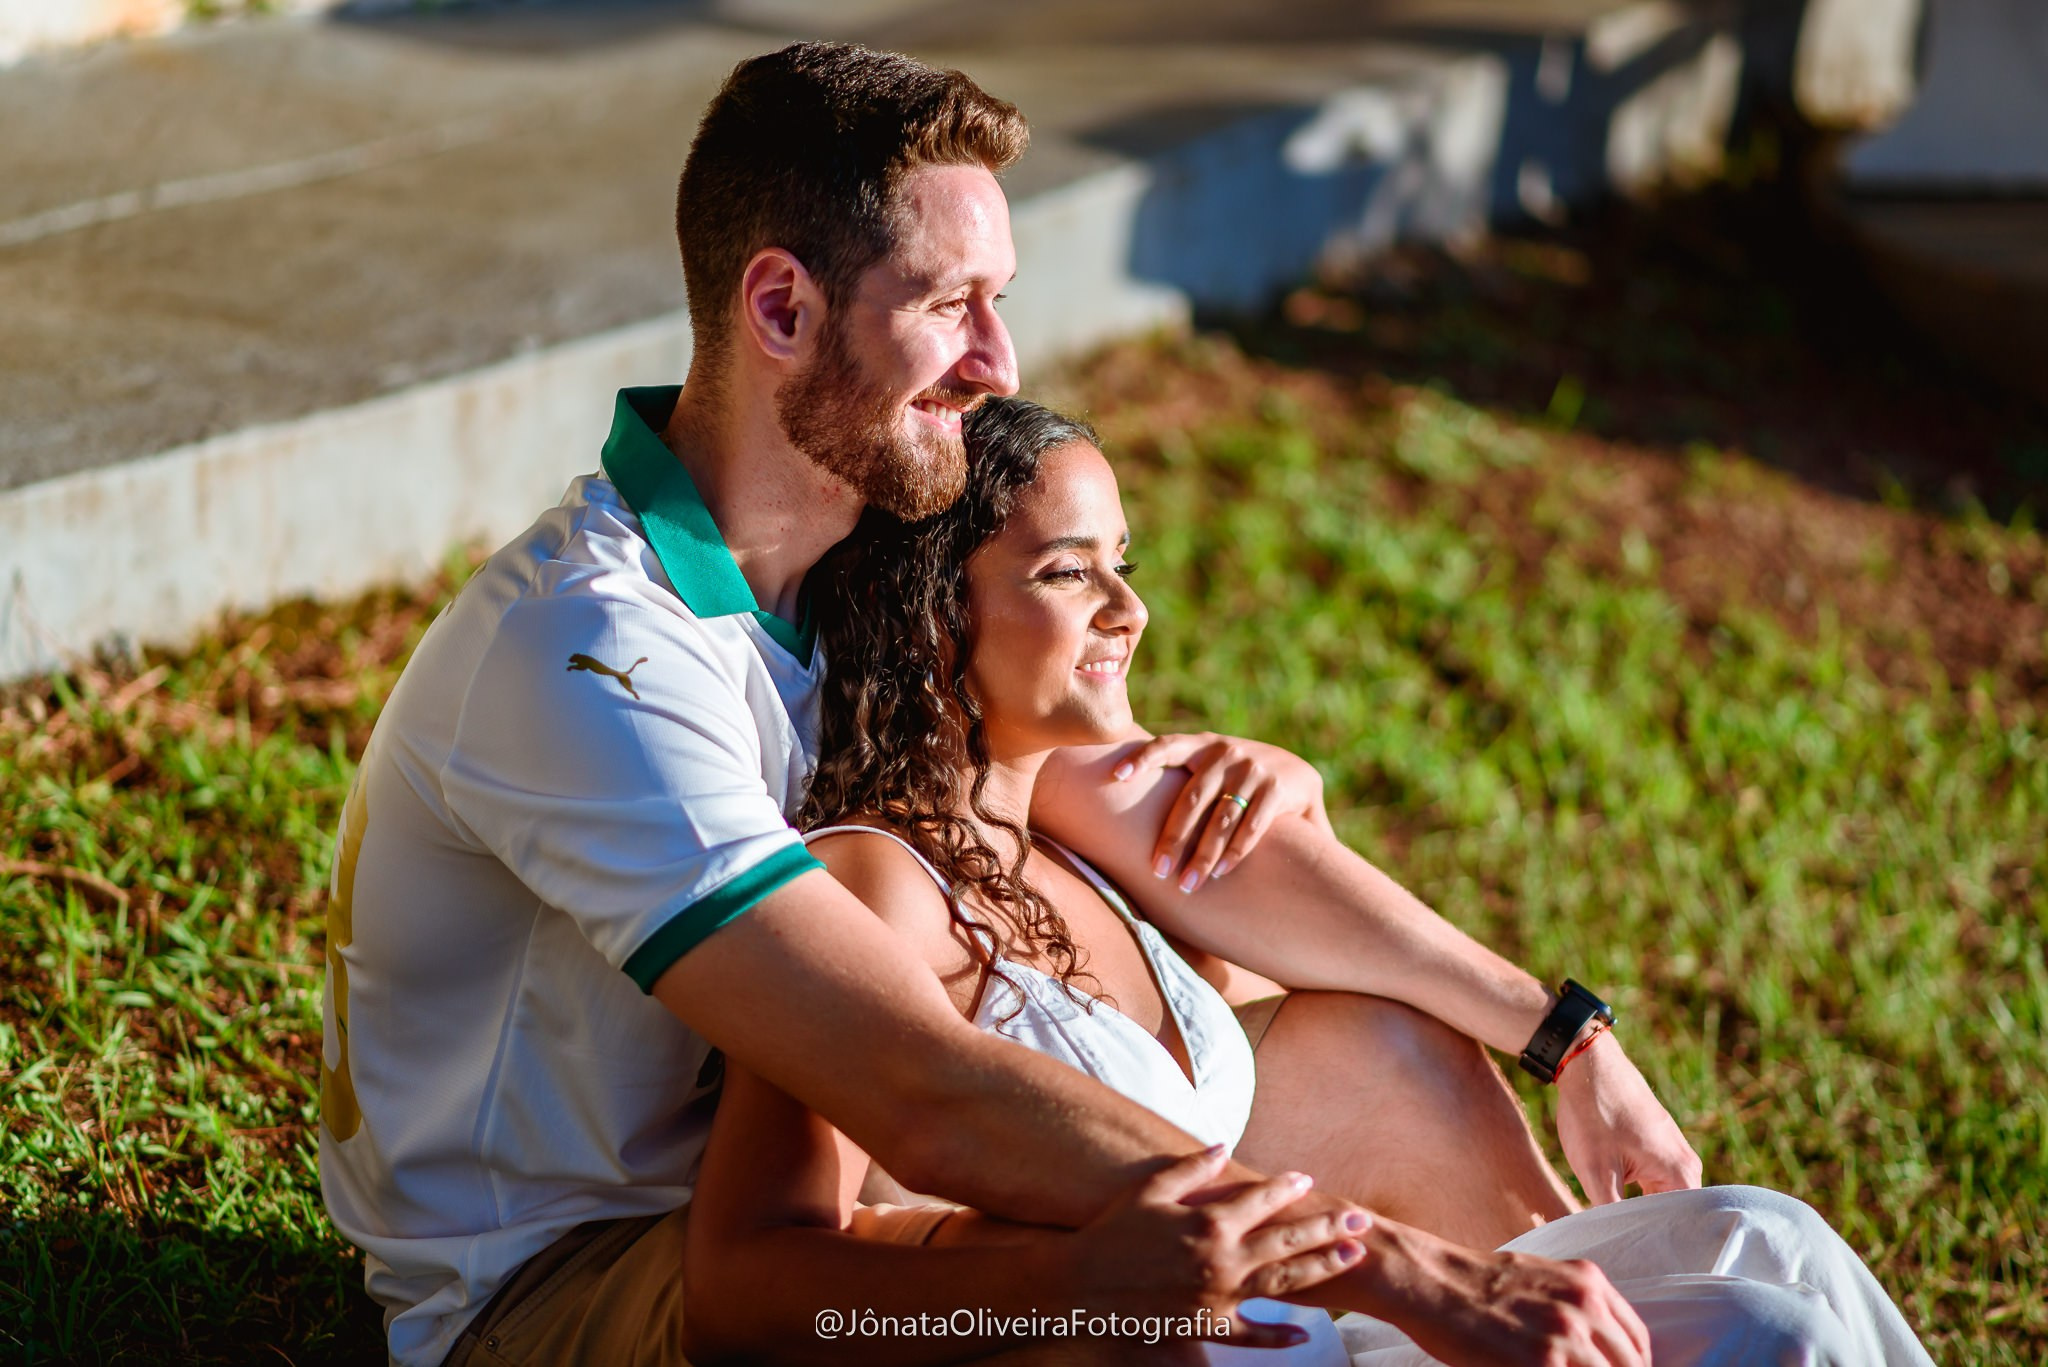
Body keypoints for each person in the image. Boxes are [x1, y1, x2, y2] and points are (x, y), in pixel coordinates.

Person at [321, 41, 1688, 1367]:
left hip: (839, 1185)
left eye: (1004, 298)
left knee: (1378, 1049)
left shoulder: (848, 560)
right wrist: (1395, 1267)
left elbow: (1142, 812)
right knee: (1100, 1290)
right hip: (577, 1280)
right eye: (950, 304)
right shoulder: (592, 648)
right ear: (783, 309)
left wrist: (1560, 1031)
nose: (1001, 361)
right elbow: (917, 1081)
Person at [679, 396, 1936, 1366]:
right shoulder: (874, 884)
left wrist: (1566, 1035)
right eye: (1069, 571)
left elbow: (1322, 984)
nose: (1130, 608)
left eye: (1124, 561)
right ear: (925, 616)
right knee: (1762, 1335)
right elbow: (772, 1290)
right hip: (1194, 1346)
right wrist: (1054, 1308)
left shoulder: (1065, 822)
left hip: (1308, 1323)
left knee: (1770, 1234)